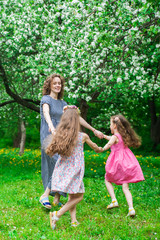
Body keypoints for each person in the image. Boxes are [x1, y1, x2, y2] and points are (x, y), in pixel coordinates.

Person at [39, 73, 104, 209]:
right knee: (59, 164)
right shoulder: (46, 99)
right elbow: (46, 113)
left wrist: (93, 130)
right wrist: (51, 126)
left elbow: (76, 117)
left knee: (61, 164)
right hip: (49, 135)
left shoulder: (63, 103)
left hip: (62, 136)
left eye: (59, 83)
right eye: (55, 83)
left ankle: (56, 198)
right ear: (49, 85)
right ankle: (45, 195)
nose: (57, 85)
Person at [45, 105, 103, 230]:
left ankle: (73, 220)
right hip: (75, 171)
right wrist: (100, 149)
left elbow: (50, 150)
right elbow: (95, 148)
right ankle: (57, 215)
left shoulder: (60, 136)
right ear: (77, 121)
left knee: (73, 195)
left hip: (63, 171)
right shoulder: (82, 136)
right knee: (79, 196)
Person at [102, 115, 144, 217]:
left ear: (115, 126)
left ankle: (114, 200)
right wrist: (104, 136)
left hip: (118, 162)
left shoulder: (114, 137)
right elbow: (112, 139)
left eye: (111, 124)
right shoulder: (123, 135)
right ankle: (131, 209)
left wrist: (101, 149)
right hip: (128, 161)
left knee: (107, 179)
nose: (110, 126)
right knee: (125, 187)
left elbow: (109, 144)